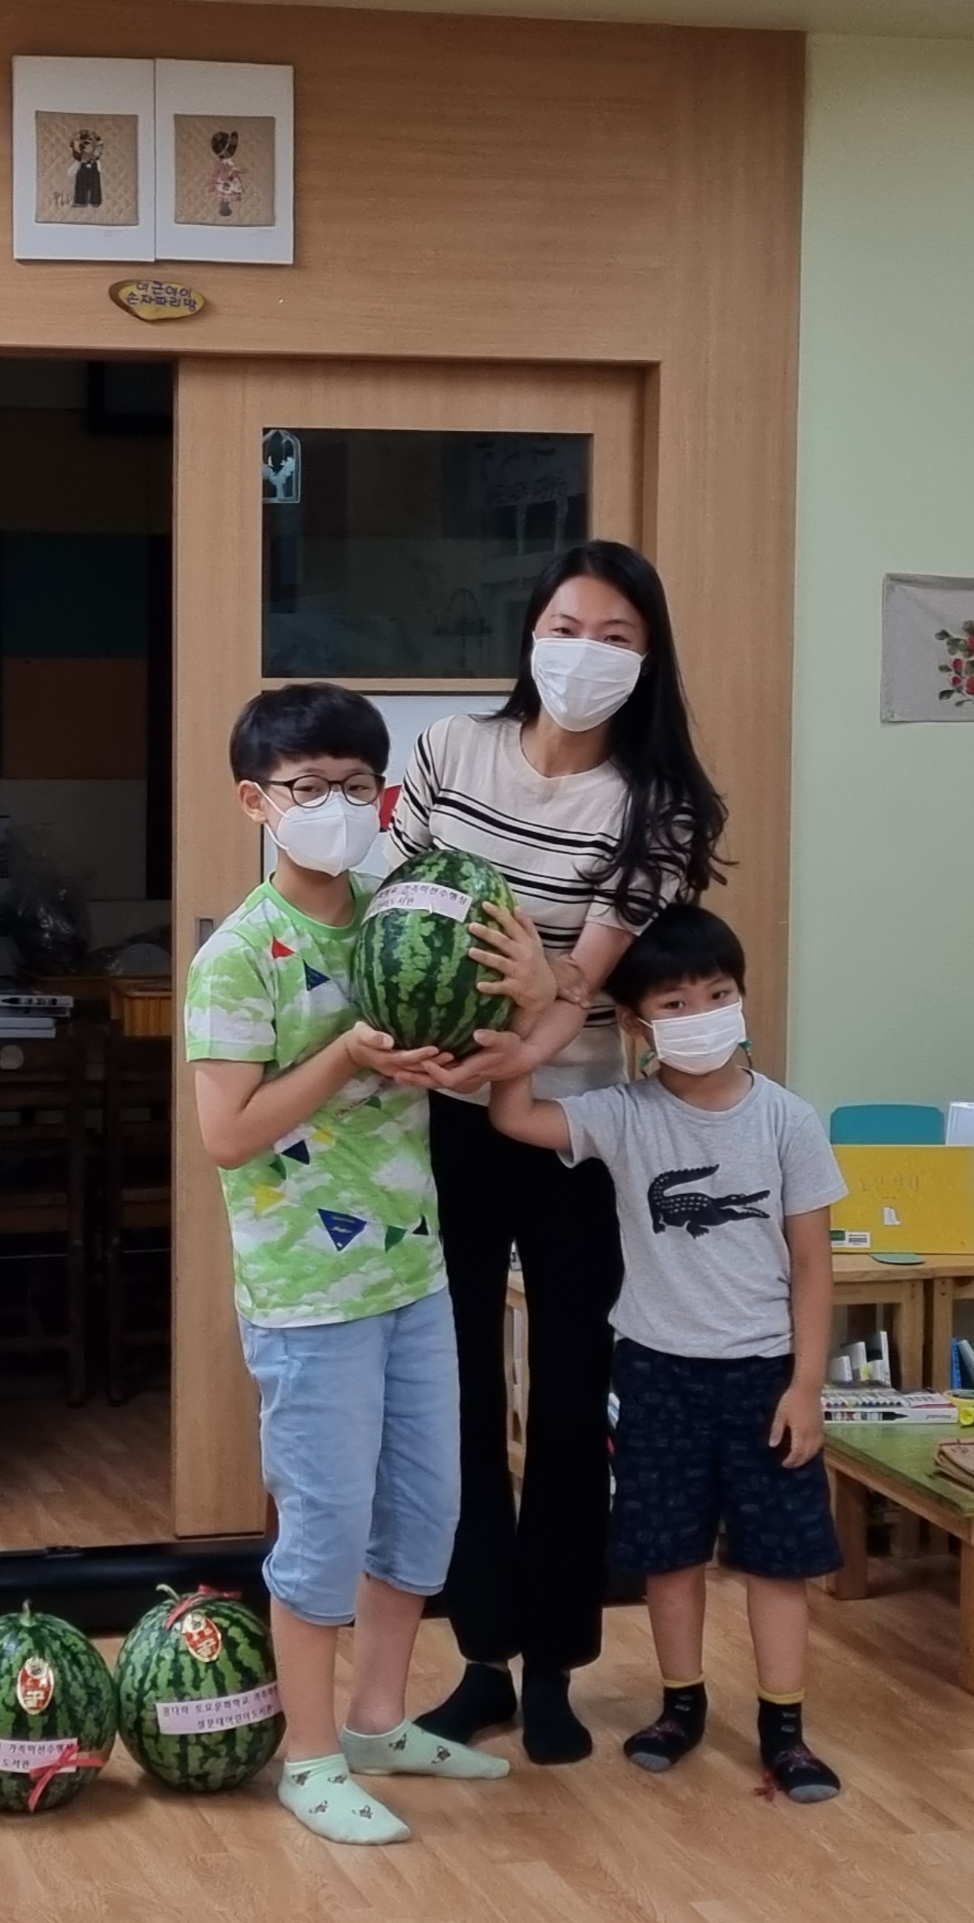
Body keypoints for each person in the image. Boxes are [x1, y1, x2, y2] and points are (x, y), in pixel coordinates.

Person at [184, 682, 554, 1845]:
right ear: (254, 801)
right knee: (325, 1526)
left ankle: (378, 1721)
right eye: (307, 787)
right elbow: (225, 1134)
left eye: (355, 786)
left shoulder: (409, 910)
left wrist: (524, 1001)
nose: (334, 807)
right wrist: (345, 1055)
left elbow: (488, 1040)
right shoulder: (238, 956)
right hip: (305, 1294)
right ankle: (306, 1758)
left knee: (422, 1515)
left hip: (412, 1272)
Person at [387, 540, 728, 1763]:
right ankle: (480, 1656)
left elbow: (579, 984)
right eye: (566, 628)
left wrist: (516, 1042)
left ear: (648, 657)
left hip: (577, 1127)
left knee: (574, 1389)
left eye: (616, 637)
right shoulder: (445, 751)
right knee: (459, 1386)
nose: (585, 654)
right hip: (438, 1110)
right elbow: (398, 914)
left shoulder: (658, 804)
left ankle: (554, 1669)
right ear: (529, 634)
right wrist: (431, 1056)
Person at [484, 904, 847, 1802]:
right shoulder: (622, 1114)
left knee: (777, 1558)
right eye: (675, 1003)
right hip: (656, 1371)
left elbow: (812, 1264)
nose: (703, 1015)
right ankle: (680, 1704)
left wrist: (806, 1383)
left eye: (718, 994)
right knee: (668, 1553)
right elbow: (513, 1115)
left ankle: (784, 1726)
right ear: (637, 1025)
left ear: (743, 997)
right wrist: (533, 1016)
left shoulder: (787, 1121)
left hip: (764, 1374)